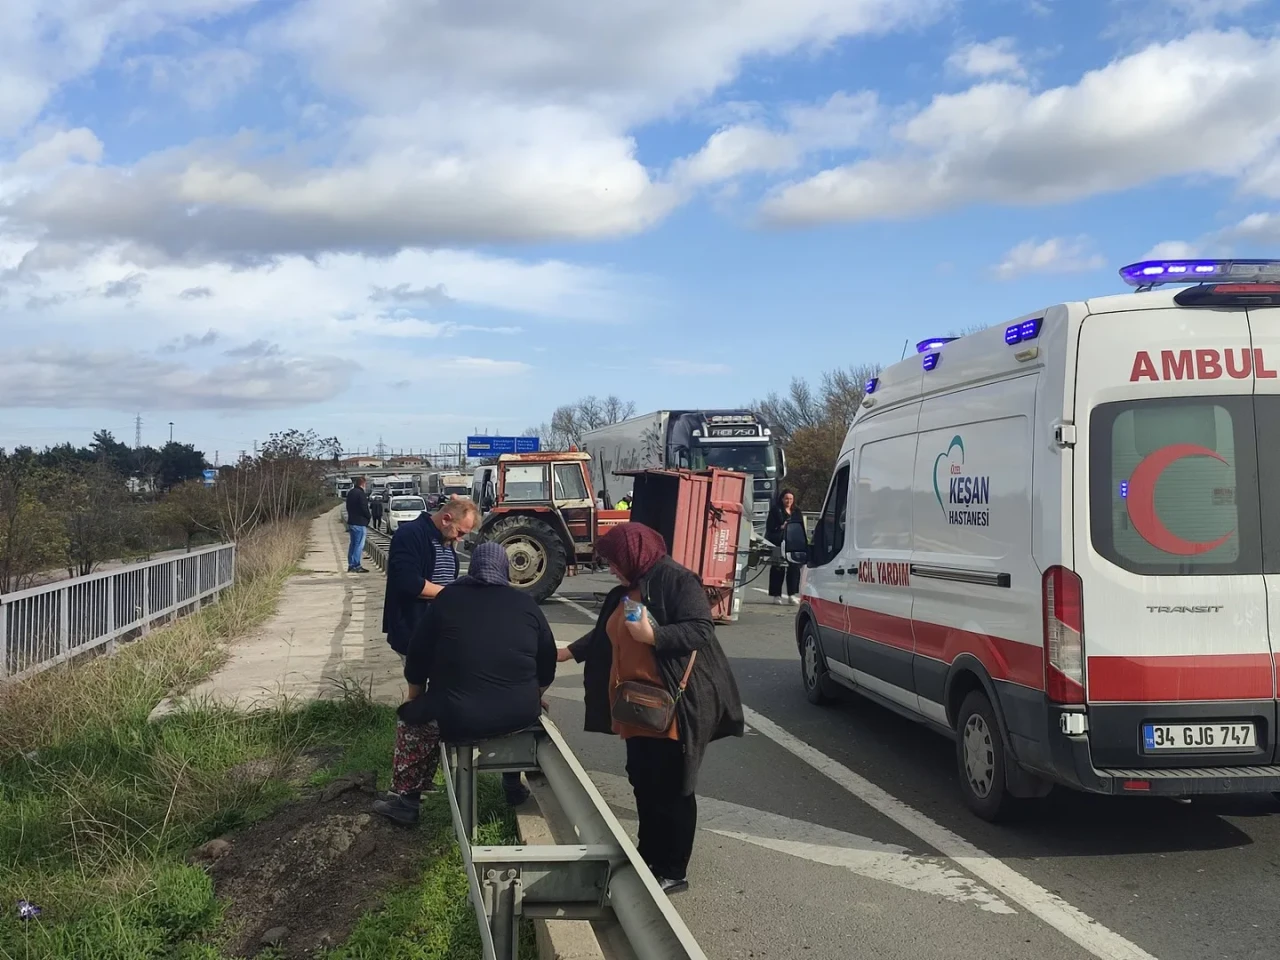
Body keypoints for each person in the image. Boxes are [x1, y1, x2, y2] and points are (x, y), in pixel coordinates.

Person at [558, 523, 743, 894]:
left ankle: (673, 870)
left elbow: (700, 629)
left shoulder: (676, 581)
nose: (610, 568)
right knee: (643, 782)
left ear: (632, 554)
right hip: (636, 707)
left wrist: (655, 636)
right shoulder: (629, 589)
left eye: (612, 561)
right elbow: (605, 632)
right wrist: (567, 653)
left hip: (673, 706)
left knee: (673, 789)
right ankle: (648, 855)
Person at [373, 542, 557, 824]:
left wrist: (415, 697)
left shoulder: (447, 599)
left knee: (412, 722)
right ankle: (512, 785)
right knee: (511, 719)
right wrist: (534, 693)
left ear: (472, 569)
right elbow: (548, 661)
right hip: (520, 711)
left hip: (458, 715)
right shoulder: (525, 603)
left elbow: (418, 654)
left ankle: (407, 801)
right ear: (504, 570)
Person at [382, 498, 480, 660]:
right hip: (415, 630)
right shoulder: (410, 535)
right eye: (459, 532)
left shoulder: (445, 540)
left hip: (440, 632)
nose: (459, 539)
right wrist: (455, 594)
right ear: (446, 519)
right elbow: (409, 583)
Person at [765, 489, 804, 605]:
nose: (788, 501)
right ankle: (776, 595)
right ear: (782, 499)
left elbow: (801, 526)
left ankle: (792, 594)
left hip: (792, 543)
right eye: (786, 498)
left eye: (791, 499)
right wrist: (782, 527)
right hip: (778, 541)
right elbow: (770, 527)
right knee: (778, 567)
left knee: (794, 568)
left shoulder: (796, 511)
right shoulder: (775, 510)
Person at [345, 476, 372, 573]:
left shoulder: (351, 493)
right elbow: (364, 507)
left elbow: (347, 506)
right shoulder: (361, 494)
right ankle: (356, 565)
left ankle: (351, 564)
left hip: (352, 521)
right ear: (363, 484)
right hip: (360, 522)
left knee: (353, 544)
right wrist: (368, 517)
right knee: (359, 545)